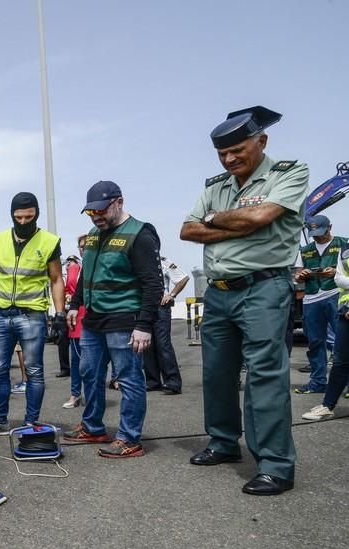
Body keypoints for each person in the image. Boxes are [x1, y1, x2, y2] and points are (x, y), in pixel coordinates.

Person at [180, 105, 308, 496]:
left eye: (237, 150)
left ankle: (274, 465)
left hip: (264, 288)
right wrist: (238, 221)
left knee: (265, 376)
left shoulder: (288, 173)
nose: (230, 159)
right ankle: (223, 443)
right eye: (223, 153)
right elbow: (187, 230)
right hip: (218, 293)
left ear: (261, 141)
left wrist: (217, 220)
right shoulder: (217, 184)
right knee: (217, 373)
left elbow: (260, 218)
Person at [64, 181, 163, 458]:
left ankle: (129, 438)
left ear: (119, 202)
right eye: (91, 212)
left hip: (124, 319)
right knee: (89, 373)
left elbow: (153, 284)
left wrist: (144, 325)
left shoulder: (140, 234)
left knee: (128, 378)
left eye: (101, 211)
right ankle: (93, 427)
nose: (96, 216)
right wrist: (75, 305)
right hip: (93, 320)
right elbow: (87, 274)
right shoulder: (95, 233)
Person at [0, 192, 64, 429]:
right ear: (12, 215)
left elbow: (55, 279)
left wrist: (60, 313)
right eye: (19, 217)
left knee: (34, 371)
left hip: (32, 316)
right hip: (1, 314)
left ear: (37, 214)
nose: (23, 222)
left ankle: (31, 423)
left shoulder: (49, 241)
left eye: (29, 217)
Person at [292, 215, 346, 393]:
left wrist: (336, 272)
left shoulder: (344, 244)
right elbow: (297, 274)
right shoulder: (305, 250)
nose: (317, 237)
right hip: (311, 299)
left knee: (343, 341)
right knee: (315, 342)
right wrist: (301, 275)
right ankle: (317, 383)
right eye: (313, 233)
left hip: (335, 295)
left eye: (321, 233)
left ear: (330, 227)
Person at [302, 242, 349, 421]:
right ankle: (327, 405)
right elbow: (339, 279)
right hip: (346, 311)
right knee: (341, 361)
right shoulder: (346, 248)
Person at [142, 256, 189, 394]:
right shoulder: (136, 259)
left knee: (163, 344)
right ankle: (152, 381)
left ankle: (173, 382)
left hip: (160, 306)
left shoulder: (162, 261)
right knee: (147, 345)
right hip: (143, 306)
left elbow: (183, 278)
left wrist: (172, 295)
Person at [63, 237, 87, 409]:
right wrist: (67, 299)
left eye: (86, 246)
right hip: (77, 315)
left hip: (98, 315)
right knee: (76, 358)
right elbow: (66, 288)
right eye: (81, 247)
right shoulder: (73, 268)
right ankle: (75, 394)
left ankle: (94, 394)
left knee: (96, 360)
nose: (83, 249)